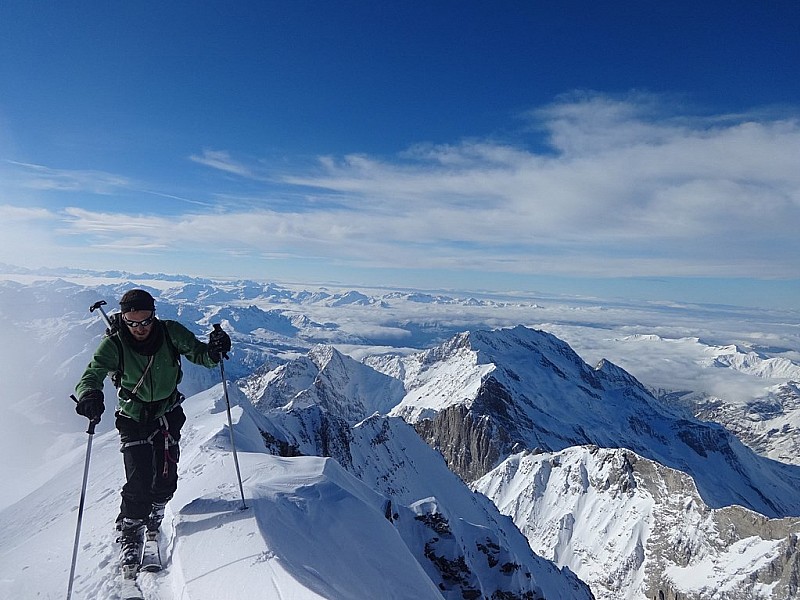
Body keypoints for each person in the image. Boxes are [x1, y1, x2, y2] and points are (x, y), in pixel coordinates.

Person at [74, 288, 231, 575]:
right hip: (133, 418)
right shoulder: (114, 344)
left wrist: (214, 349)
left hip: (168, 414)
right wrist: (88, 395)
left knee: (167, 472)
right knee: (138, 477)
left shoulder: (170, 333)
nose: (139, 327)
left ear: (153, 315)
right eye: (131, 321)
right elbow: (93, 373)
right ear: (123, 318)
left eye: (144, 320)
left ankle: (157, 509)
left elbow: (199, 354)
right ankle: (132, 529)